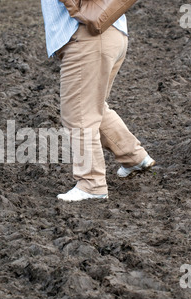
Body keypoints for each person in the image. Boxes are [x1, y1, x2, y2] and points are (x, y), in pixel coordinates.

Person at [40, 0, 156, 202]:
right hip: (110, 33)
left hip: (87, 37)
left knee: (78, 114)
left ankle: (91, 184)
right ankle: (133, 157)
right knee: (92, 107)